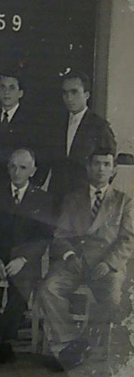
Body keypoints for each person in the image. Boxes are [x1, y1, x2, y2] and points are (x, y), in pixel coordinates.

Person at [39, 147, 134, 371]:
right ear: (88, 167)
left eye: (106, 164)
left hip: (106, 265)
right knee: (48, 288)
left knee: (114, 298)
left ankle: (89, 342)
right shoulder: (73, 198)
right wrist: (70, 255)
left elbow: (128, 239)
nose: (101, 169)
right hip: (76, 262)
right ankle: (68, 342)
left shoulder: (123, 202)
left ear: (113, 170)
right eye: (96, 164)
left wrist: (109, 263)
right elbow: (59, 234)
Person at [0, 148, 54, 366]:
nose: (16, 172)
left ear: (33, 171)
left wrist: (23, 260)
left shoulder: (43, 199)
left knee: (21, 288)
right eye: (12, 166)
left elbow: (44, 237)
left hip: (25, 263)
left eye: (22, 168)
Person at [49, 70, 116, 204]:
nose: (69, 98)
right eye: (65, 93)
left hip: (85, 199)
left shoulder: (99, 127)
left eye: (74, 92)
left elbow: (109, 166)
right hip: (57, 197)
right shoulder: (56, 124)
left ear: (86, 95)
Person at [0, 70, 49, 189]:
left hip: (20, 187)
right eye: (2, 87)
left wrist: (32, 186)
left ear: (20, 93)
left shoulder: (33, 121)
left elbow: (42, 158)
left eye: (12, 88)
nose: (6, 92)